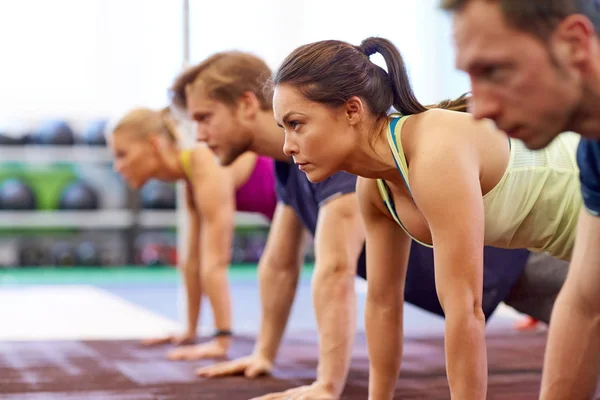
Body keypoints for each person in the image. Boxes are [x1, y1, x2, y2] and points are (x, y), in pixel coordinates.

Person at [168, 51, 573, 400]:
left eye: (296, 124)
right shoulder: (373, 187)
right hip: (565, 242)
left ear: (352, 110)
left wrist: (328, 383)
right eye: (283, 129)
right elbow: (382, 303)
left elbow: (464, 311)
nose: (288, 145)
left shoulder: (433, 153)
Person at [440, 1, 600, 398]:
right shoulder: (592, 151)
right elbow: (585, 302)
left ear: (574, 43)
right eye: (472, 76)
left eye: (494, 71)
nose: (481, 109)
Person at [107, 107, 277, 361]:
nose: (117, 167)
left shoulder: (204, 162)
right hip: (294, 210)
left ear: (154, 144)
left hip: (312, 194)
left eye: (122, 154)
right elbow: (192, 261)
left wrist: (221, 339)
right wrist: (189, 331)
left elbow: (216, 264)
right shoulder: (190, 174)